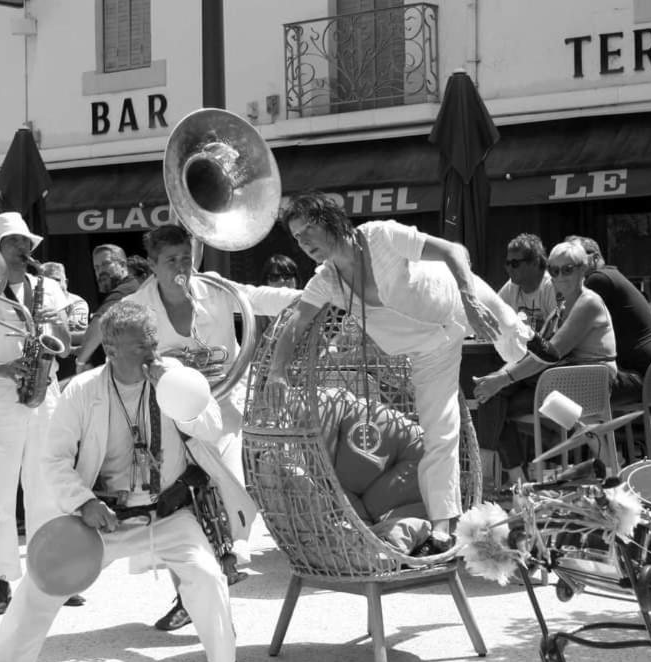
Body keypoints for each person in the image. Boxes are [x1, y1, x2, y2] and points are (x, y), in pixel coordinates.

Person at [0, 302, 259, 662]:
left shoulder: (176, 377)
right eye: (139, 347)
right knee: (43, 581)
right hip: (102, 516)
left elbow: (212, 427)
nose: (151, 353)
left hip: (168, 513)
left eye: (152, 343)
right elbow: (54, 459)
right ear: (111, 350)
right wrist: (83, 503)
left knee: (205, 576)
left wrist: (178, 395)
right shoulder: (82, 390)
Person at [267, 191, 532, 552]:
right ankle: (442, 529)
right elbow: (297, 324)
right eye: (296, 237)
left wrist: (470, 298)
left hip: (458, 296)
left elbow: (455, 251)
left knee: (521, 347)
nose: (303, 243)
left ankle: (569, 427)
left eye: (308, 231)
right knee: (439, 429)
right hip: (430, 350)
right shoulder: (326, 281)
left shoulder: (379, 235)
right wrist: (277, 372)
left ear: (330, 219)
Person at [126, 223, 299, 631]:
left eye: (187, 258)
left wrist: (313, 296)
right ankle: (188, 595)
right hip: (167, 415)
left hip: (222, 407)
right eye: (171, 261)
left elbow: (259, 298)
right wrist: (159, 366)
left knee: (229, 479)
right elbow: (127, 355)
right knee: (170, 504)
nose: (182, 268)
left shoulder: (216, 287)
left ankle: (231, 551)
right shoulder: (137, 305)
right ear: (152, 265)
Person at [0, 212, 71, 615]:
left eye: (27, 243)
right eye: (14, 243)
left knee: (46, 491)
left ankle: (48, 574)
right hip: (2, 396)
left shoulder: (48, 289)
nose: (24, 250)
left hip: (46, 395)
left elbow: (66, 348)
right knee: (2, 495)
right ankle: (1, 580)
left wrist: (55, 327)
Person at [474, 241, 618, 478]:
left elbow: (550, 353)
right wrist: (498, 379)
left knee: (495, 396)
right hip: (565, 380)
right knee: (492, 400)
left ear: (583, 269)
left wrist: (502, 377)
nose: (560, 276)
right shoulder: (562, 305)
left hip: (591, 382)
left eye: (568, 269)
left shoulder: (588, 302)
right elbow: (540, 353)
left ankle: (494, 474)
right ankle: (516, 477)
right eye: (554, 270)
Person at [565, 235, 651, 404]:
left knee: (566, 386)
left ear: (595, 258)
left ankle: (586, 431)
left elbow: (570, 330)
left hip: (641, 379)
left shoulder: (599, 280)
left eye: (575, 258)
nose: (568, 265)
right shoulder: (611, 275)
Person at [74, 244, 143, 371]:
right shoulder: (128, 288)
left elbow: (99, 324)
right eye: (97, 267)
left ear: (122, 265)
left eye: (106, 264)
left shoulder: (124, 291)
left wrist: (81, 362)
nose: (101, 271)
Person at [496, 233, 558, 334]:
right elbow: (491, 312)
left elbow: (555, 333)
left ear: (535, 263)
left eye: (515, 264)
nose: (509, 269)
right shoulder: (512, 286)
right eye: (508, 263)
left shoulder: (550, 286)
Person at [40, 261, 89, 381]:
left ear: (65, 282)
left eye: (56, 280)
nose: (52, 286)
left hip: (70, 367)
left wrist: (51, 331)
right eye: (48, 281)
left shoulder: (76, 302)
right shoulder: (39, 300)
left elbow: (79, 335)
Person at [256, 254, 300, 337]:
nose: (282, 281)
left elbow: (322, 345)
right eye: (274, 277)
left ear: (296, 280)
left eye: (287, 276)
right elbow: (253, 347)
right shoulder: (260, 313)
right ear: (266, 282)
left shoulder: (308, 305)